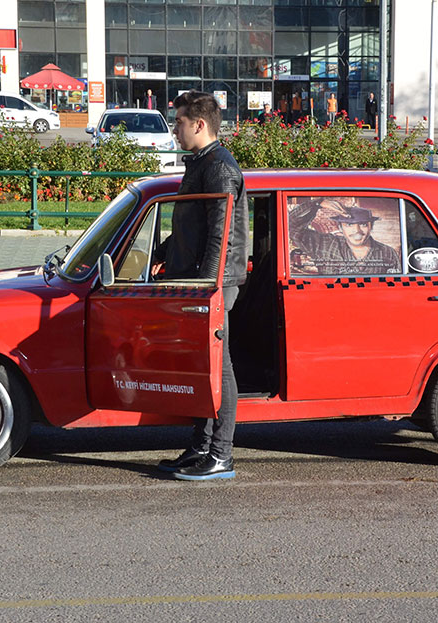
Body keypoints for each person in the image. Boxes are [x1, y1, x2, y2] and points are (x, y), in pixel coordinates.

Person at [154, 91, 248, 481]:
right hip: (200, 278)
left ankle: (221, 454)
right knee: (201, 367)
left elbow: (220, 237)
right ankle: (199, 447)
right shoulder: (204, 163)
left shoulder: (220, 168)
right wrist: (163, 252)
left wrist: (205, 286)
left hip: (213, 283)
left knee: (218, 369)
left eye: (178, 122)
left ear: (199, 124)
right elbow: (190, 225)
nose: (174, 129)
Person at [288, 197, 400, 275]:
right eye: (349, 225)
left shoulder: (387, 252)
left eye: (363, 224)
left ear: (371, 226)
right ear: (341, 227)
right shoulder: (325, 244)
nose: (357, 231)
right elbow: (290, 225)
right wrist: (317, 204)